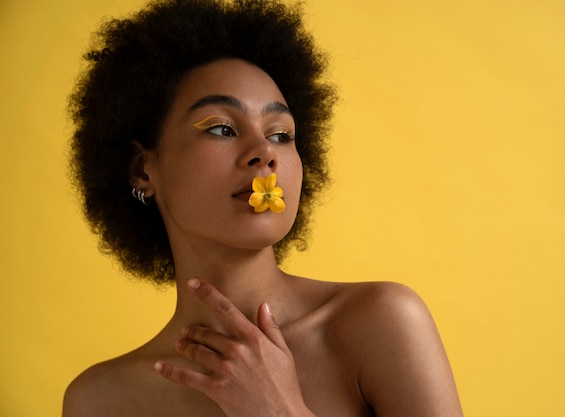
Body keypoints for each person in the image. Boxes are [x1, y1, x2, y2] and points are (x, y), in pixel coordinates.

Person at [63, 0, 464, 416]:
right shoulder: (100, 400)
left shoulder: (381, 324)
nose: (264, 154)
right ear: (142, 169)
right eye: (221, 128)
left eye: (281, 134)